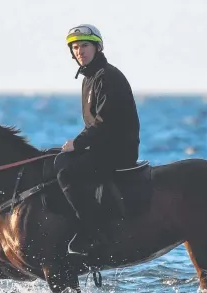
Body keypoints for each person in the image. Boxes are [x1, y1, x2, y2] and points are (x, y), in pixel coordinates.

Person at [55, 24, 140, 256]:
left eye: (84, 45)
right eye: (75, 47)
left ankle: (92, 232)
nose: (79, 51)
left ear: (97, 47)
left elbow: (104, 122)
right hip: (102, 145)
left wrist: (78, 143)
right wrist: (76, 145)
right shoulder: (89, 78)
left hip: (118, 150)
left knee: (64, 169)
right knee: (56, 158)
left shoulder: (107, 76)